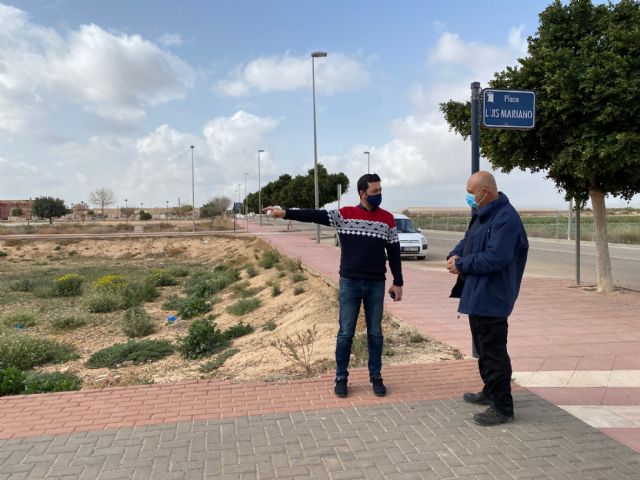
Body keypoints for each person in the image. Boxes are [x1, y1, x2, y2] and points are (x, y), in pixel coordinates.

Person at [264, 173, 403, 398]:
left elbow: (394, 251)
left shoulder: (387, 219)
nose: (379, 195)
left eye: (380, 190)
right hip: (350, 283)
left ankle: (376, 376)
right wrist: (286, 212)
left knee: (375, 334)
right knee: (346, 333)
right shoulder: (344, 215)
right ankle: (341, 377)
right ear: (362, 193)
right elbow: (314, 215)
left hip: (377, 283)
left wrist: (398, 282)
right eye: (375, 191)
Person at [446, 171, 528, 426]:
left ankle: (503, 407)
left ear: (486, 192)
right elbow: (467, 241)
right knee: (483, 350)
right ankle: (490, 391)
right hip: (477, 293)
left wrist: (462, 265)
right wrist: (454, 255)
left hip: (493, 296)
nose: (469, 198)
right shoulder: (482, 214)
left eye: (471, 194)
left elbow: (496, 258)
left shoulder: (506, 218)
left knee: (494, 353)